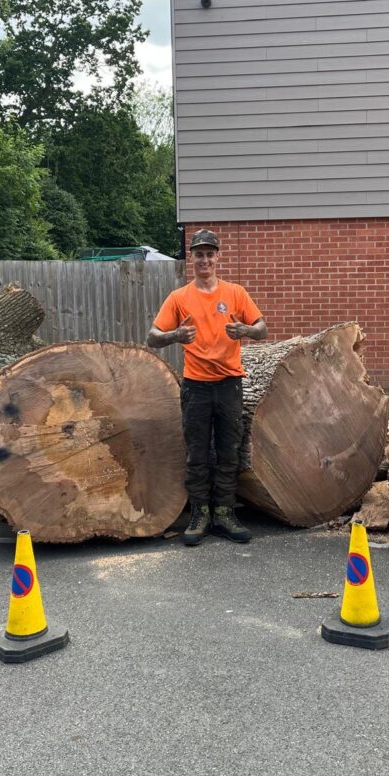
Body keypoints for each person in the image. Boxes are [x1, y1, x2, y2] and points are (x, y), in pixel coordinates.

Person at [147, 229, 267, 546]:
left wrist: (246, 330)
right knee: (198, 453)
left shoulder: (236, 293)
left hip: (229, 384)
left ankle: (225, 512)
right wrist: (175, 336)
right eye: (198, 253)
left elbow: (261, 327)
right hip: (196, 386)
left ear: (218, 257)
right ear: (192, 258)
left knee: (228, 451)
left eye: (209, 253)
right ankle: (200, 513)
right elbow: (152, 337)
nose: (204, 259)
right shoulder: (179, 298)